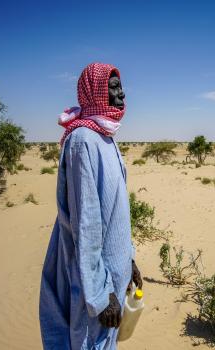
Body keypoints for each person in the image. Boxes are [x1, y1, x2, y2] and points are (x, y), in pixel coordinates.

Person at [39, 62, 143, 350]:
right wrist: (100, 294)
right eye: (113, 89)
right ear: (93, 91)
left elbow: (116, 215)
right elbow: (87, 224)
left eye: (121, 88)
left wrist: (129, 259)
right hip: (94, 287)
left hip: (113, 279)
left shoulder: (106, 138)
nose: (121, 95)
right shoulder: (83, 141)